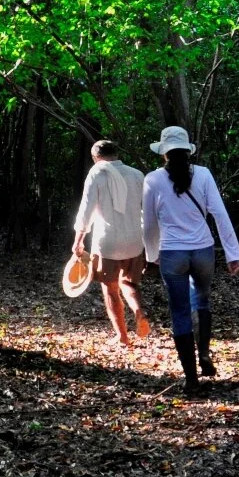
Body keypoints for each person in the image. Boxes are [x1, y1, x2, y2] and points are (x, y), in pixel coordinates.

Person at [143, 125, 239, 393]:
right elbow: (220, 214)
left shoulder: (152, 179)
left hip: (172, 253)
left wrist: (151, 256)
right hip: (203, 252)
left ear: (164, 153)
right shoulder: (204, 174)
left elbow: (149, 224)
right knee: (202, 300)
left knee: (180, 313)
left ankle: (191, 379)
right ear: (188, 150)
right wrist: (233, 253)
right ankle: (205, 355)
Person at [73, 139, 150, 346]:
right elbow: (147, 209)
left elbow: (86, 210)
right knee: (129, 283)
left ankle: (122, 336)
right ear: (117, 154)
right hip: (134, 240)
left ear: (95, 157)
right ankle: (139, 311)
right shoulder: (136, 174)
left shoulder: (97, 173)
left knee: (110, 289)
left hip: (108, 242)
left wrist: (78, 239)